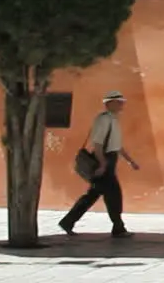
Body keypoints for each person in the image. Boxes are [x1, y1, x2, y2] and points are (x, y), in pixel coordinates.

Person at [59, 91, 139, 237]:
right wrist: (102, 164)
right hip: (104, 160)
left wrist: (130, 161)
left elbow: (117, 145)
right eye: (118, 101)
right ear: (109, 103)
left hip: (110, 159)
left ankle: (68, 222)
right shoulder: (103, 120)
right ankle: (118, 228)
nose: (122, 104)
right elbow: (97, 144)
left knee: (92, 195)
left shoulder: (114, 119)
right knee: (113, 195)